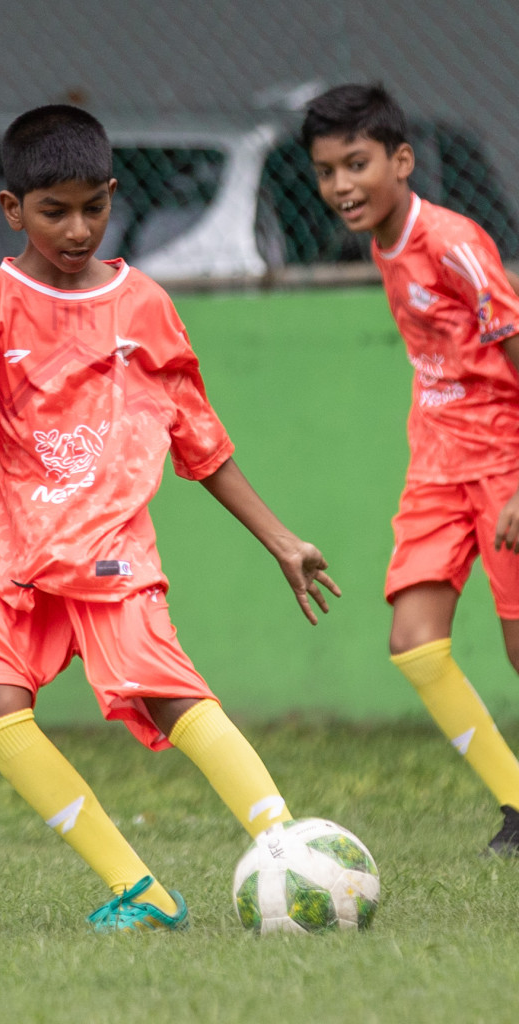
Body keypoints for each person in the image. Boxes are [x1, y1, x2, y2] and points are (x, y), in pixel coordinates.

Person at [0, 105, 340, 931]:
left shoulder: (145, 306)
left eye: (92, 206)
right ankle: (142, 890)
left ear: (112, 196)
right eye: (54, 210)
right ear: (11, 210)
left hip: (111, 546)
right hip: (12, 552)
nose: (77, 226)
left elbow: (200, 441)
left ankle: (289, 848)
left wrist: (283, 540)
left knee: (164, 691)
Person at [304, 84, 519, 854]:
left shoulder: (454, 240)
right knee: (414, 640)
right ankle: (517, 803)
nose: (342, 187)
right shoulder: (380, 242)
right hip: (436, 460)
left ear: (403, 160)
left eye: (357, 164)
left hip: (502, 457)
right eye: (327, 172)